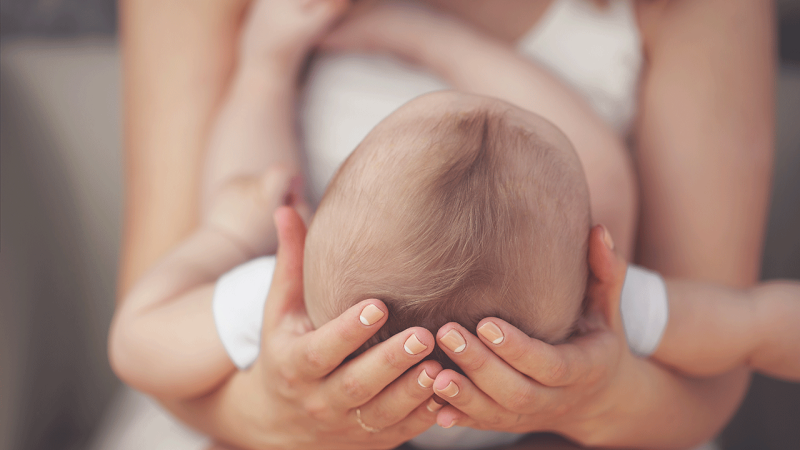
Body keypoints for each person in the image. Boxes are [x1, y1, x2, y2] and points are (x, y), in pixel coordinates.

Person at [115, 0, 774, 448]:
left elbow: (137, 342)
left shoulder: (280, 303)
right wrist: (429, 37)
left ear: (307, 233)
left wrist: (231, 232)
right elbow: (749, 326)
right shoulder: (604, 308)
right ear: (590, 264)